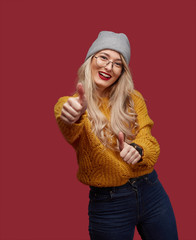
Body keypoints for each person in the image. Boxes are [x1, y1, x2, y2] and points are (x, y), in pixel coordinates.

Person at [54, 31, 178, 240]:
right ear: (90, 60)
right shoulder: (70, 104)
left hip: (152, 191)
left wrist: (138, 150)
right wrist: (74, 116)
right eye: (103, 57)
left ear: (122, 72)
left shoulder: (133, 99)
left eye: (117, 63)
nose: (108, 67)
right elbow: (69, 124)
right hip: (110, 204)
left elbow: (148, 139)